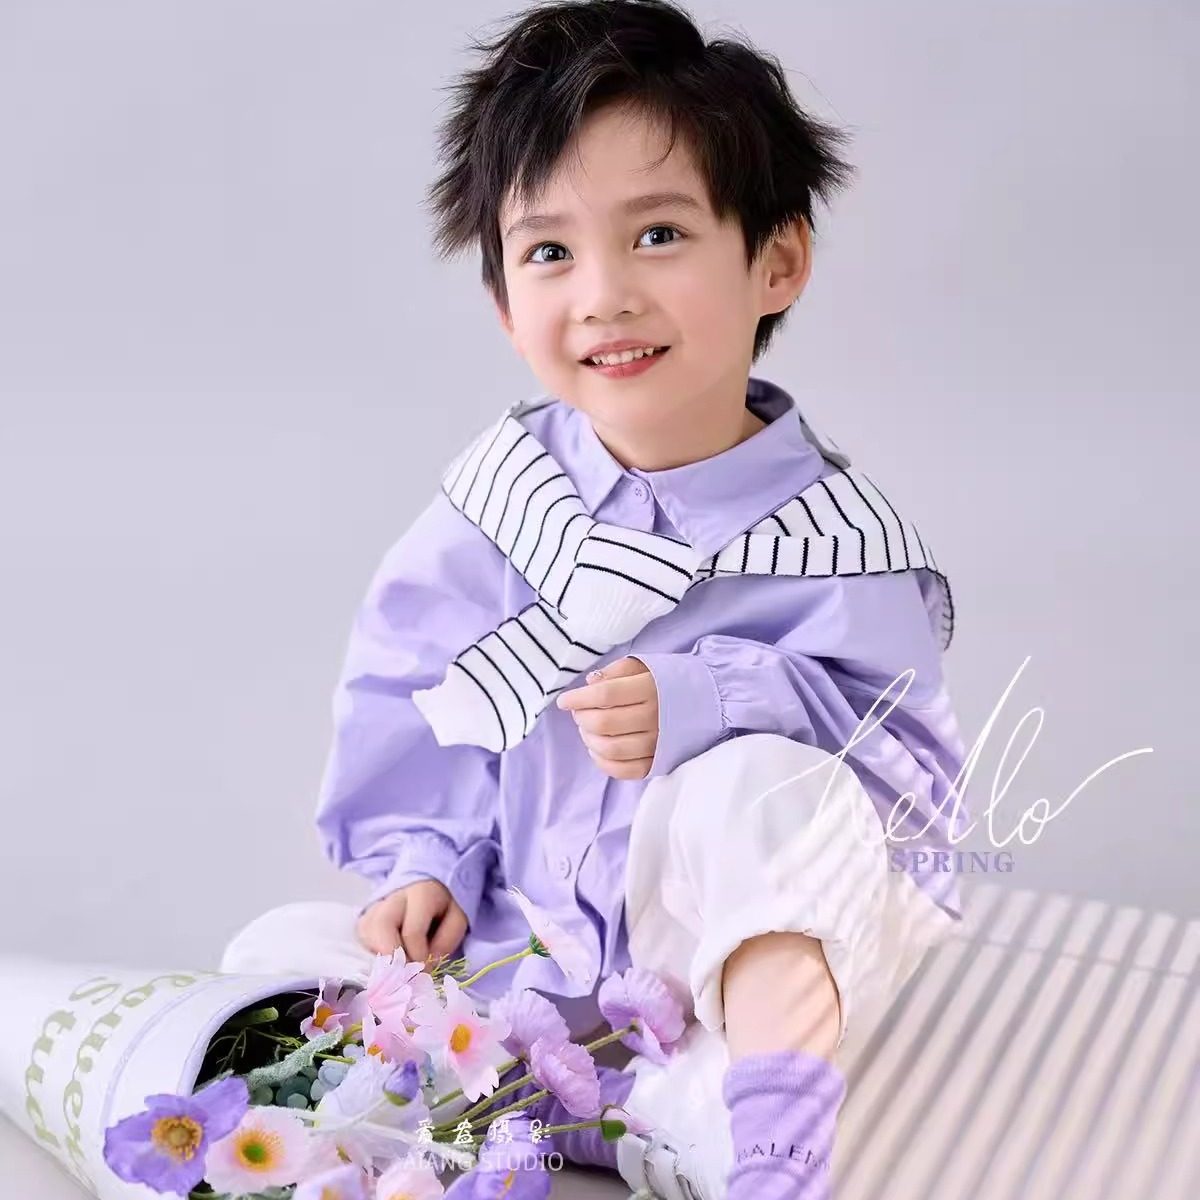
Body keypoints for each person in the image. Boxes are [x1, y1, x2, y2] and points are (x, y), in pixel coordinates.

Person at [219, 3, 970, 1196]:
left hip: (725, 977)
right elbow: (418, 693)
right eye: (549, 254)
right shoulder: (503, 499)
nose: (604, 295)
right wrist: (427, 865)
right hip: (524, 946)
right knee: (270, 959)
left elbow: (904, 784)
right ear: (503, 303)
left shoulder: (839, 542)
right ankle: (554, 1101)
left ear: (776, 260)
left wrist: (719, 698)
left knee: (761, 793)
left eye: (659, 234)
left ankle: (767, 1137)